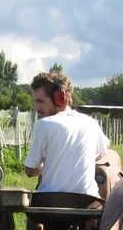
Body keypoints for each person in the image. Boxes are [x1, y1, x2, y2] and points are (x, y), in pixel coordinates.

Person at [23, 71, 111, 201]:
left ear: (60, 97)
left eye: (40, 102)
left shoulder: (44, 125)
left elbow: (30, 171)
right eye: (35, 102)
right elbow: (105, 147)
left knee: (33, 216)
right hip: (88, 202)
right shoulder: (90, 123)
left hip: (50, 201)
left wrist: (43, 169)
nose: (36, 108)